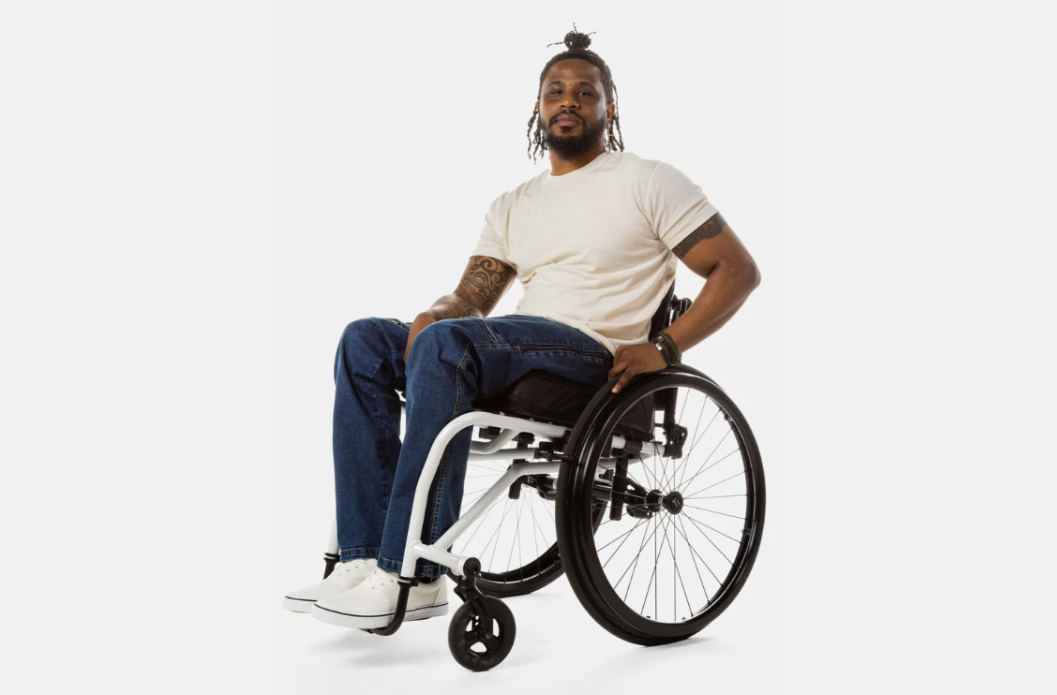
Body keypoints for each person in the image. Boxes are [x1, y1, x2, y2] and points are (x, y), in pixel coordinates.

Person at [282, 27, 762, 630]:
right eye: (555, 91)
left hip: (595, 354)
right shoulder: (515, 203)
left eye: (585, 92)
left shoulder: (649, 180)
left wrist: (664, 348)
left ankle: (415, 573)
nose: (569, 101)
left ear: (609, 108)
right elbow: (469, 299)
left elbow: (737, 270)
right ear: (536, 108)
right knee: (364, 340)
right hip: (515, 343)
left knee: (446, 345)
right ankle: (358, 558)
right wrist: (435, 310)